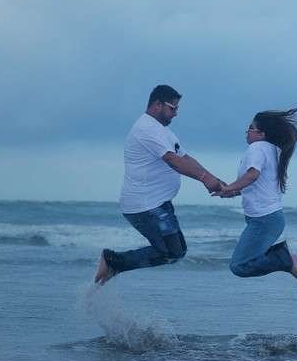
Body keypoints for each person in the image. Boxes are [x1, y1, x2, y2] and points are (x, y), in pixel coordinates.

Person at [95, 85, 223, 285]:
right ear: (157, 104)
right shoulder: (146, 129)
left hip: (157, 204)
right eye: (173, 108)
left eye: (177, 108)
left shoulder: (163, 132)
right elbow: (173, 160)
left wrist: (214, 180)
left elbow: (185, 158)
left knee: (177, 251)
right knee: (172, 252)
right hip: (145, 206)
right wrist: (206, 179)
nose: (176, 113)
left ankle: (115, 264)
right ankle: (112, 261)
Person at [213, 108, 297, 285]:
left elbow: (253, 175)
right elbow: (258, 184)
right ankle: (282, 255)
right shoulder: (273, 150)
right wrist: (232, 191)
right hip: (269, 218)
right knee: (244, 263)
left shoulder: (256, 148)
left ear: (262, 134)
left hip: (264, 219)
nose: (247, 131)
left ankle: (286, 261)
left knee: (239, 266)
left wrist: (228, 188)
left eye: (251, 128)